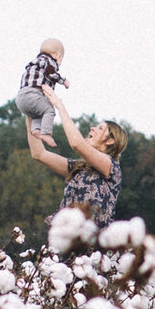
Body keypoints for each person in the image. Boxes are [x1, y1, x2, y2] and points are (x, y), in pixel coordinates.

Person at [25, 86, 126, 225]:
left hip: (93, 243)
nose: (92, 128)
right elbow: (39, 154)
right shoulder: (77, 167)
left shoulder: (111, 167)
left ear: (110, 141)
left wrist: (59, 105)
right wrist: (31, 112)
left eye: (100, 128)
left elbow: (76, 144)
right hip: (68, 240)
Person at [14, 39, 67, 137]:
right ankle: (46, 133)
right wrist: (63, 81)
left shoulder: (35, 62)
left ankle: (36, 129)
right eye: (61, 60)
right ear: (58, 56)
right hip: (33, 95)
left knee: (38, 113)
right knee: (49, 110)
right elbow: (51, 74)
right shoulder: (50, 61)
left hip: (20, 99)